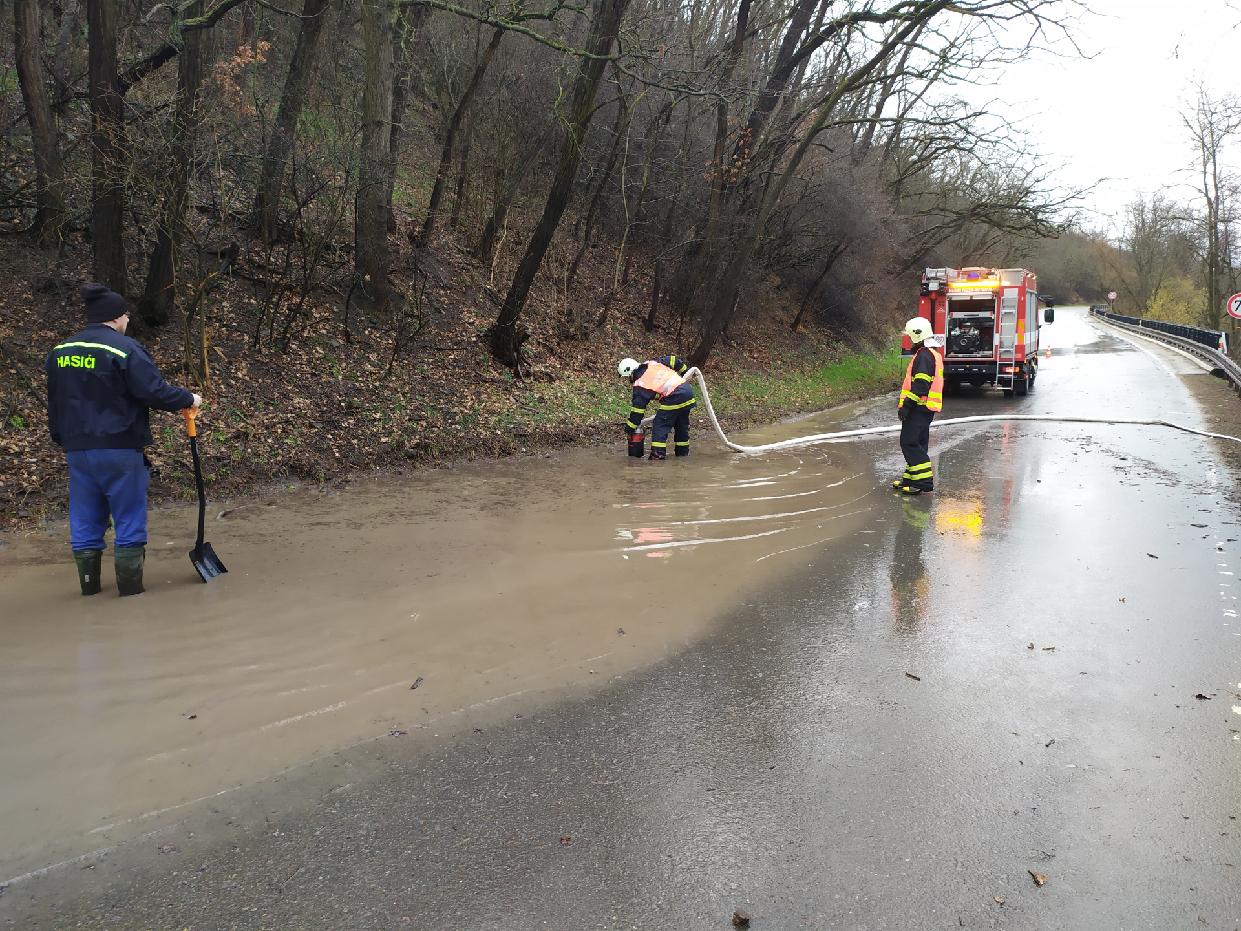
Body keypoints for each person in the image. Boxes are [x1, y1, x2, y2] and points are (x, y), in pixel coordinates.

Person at [45, 283, 202, 596]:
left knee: (85, 515)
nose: (128, 321)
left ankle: (89, 589)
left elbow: (55, 401)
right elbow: (152, 390)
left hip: (77, 449)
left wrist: (61, 438)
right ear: (115, 317)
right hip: (118, 446)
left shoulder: (60, 352)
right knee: (128, 515)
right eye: (126, 315)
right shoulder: (123, 348)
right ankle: (130, 594)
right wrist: (189, 398)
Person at [893, 316, 943, 495]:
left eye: (909, 336)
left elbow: (921, 384)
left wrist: (907, 405)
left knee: (909, 442)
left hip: (918, 407)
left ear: (916, 335)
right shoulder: (931, 353)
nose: (907, 339)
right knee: (918, 444)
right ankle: (911, 478)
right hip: (924, 408)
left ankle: (922, 482)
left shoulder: (923, 355)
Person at [618, 354, 695, 460]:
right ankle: (682, 456)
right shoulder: (652, 364)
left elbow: (637, 411)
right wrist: (685, 371)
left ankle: (657, 457)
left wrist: (630, 427)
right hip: (687, 392)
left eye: (627, 377)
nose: (629, 380)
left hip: (674, 396)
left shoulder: (640, 384)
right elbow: (673, 359)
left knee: (660, 425)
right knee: (681, 425)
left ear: (630, 373)